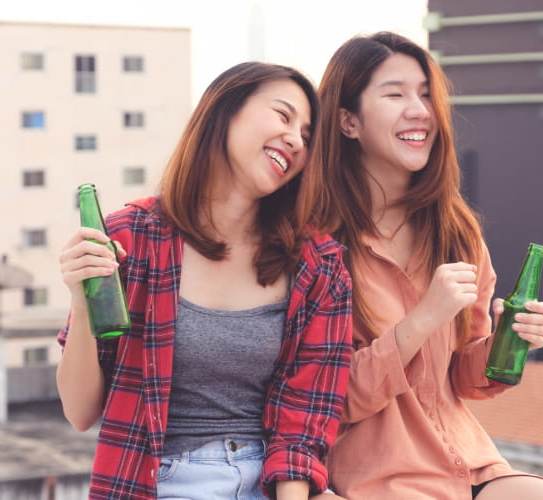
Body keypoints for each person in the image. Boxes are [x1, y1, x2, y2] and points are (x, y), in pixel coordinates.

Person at [56, 62, 353, 500]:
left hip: (265, 484)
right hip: (154, 483)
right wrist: (82, 303)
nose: (296, 139)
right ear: (225, 110)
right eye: (283, 115)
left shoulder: (319, 266)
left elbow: (302, 424)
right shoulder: (131, 238)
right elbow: (81, 413)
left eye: (307, 136)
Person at [310, 32, 543, 500]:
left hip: (472, 466)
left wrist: (505, 342)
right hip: (380, 482)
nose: (419, 109)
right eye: (395, 94)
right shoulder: (313, 242)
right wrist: (420, 321)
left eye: (424, 94)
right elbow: (324, 401)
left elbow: (463, 379)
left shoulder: (456, 230)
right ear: (347, 121)